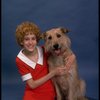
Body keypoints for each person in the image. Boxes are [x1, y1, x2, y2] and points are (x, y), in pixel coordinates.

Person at [15, 21, 75, 100]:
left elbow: (62, 51)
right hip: (32, 91)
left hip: (49, 90)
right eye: (26, 39)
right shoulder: (20, 60)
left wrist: (73, 56)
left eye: (33, 39)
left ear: (37, 40)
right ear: (21, 41)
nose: (30, 42)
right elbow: (32, 85)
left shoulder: (43, 50)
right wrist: (53, 73)